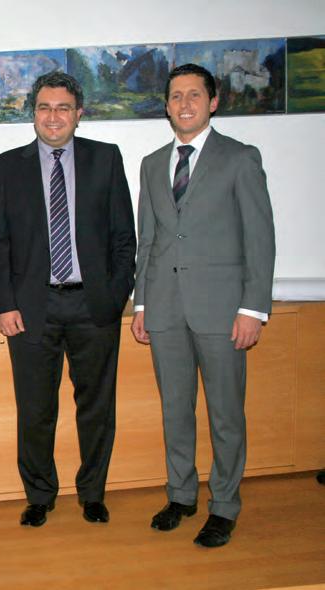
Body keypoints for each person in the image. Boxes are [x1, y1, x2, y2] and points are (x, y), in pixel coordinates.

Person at [132, 63, 275, 548]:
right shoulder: (152, 163)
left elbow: (260, 239)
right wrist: (142, 303)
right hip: (165, 309)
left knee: (225, 414)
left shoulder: (240, 158)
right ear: (166, 105)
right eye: (176, 96)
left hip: (223, 311)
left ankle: (225, 505)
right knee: (176, 409)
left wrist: (253, 309)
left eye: (195, 95)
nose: (185, 103)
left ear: (213, 102)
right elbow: (149, 240)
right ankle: (181, 495)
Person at [0, 71, 136, 529]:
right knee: (35, 410)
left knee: (97, 408)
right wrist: (3, 305)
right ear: (33, 113)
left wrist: (114, 297)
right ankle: (39, 495)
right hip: (32, 309)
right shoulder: (5, 167)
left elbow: (123, 237)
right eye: (45, 108)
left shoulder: (105, 159)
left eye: (63, 108)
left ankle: (92, 493)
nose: (53, 117)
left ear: (78, 113)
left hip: (94, 307)